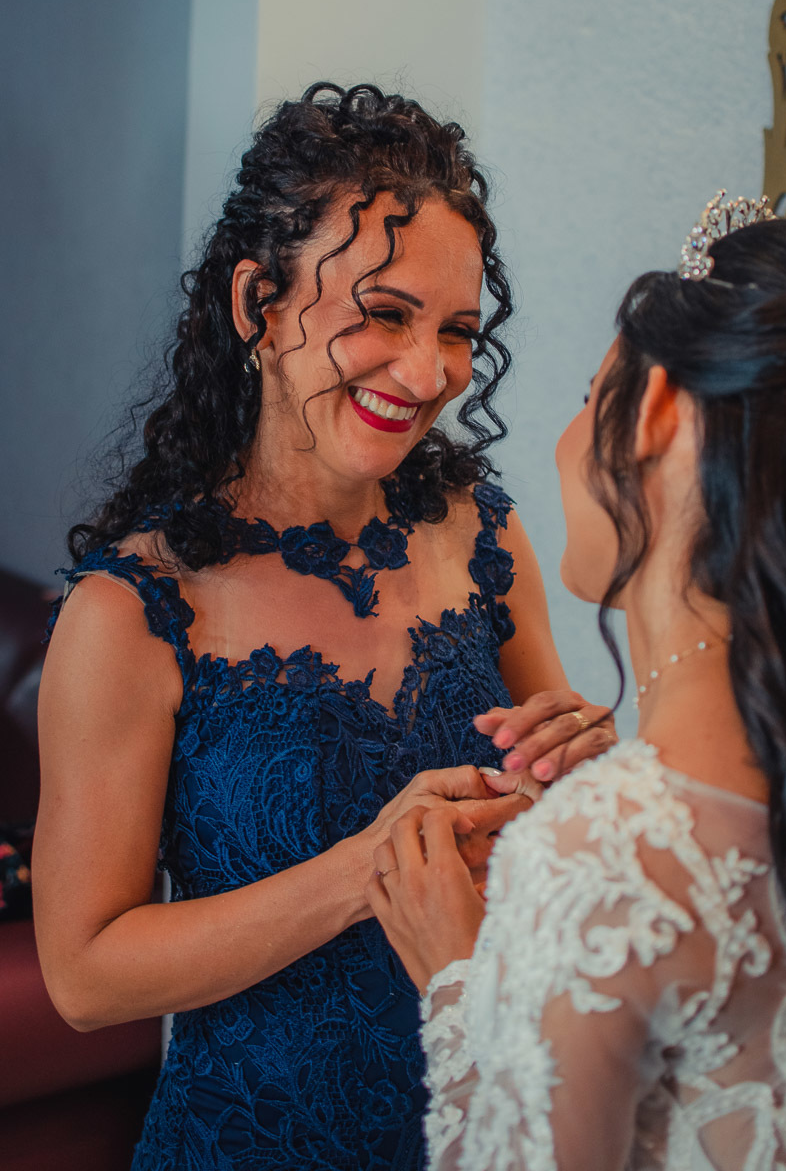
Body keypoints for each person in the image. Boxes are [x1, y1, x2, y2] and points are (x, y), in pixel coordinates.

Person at [33, 83, 611, 1171]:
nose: (428, 373)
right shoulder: (135, 609)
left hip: (476, 1131)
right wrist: (362, 873)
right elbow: (84, 974)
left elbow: (548, 825)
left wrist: (583, 770)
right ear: (258, 302)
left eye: (455, 332)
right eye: (384, 314)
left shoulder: (480, 531)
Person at [369, 195, 786, 1169]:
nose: (564, 438)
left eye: (591, 396)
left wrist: (459, 982)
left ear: (657, 410)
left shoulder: (598, 855)